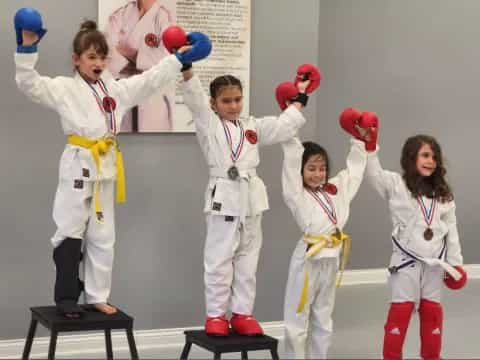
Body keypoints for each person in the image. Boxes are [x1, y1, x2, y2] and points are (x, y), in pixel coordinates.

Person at [14, 8, 207, 317]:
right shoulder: (64, 89)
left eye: (103, 58)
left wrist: (178, 58)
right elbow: (29, 84)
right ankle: (65, 297)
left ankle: (96, 295)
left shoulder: (115, 89)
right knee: (69, 231)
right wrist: (27, 48)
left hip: (105, 168)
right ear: (76, 59)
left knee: (103, 236)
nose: (99, 64)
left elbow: (149, 80)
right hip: (78, 166)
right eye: (91, 57)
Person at [180, 61, 319, 336]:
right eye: (226, 101)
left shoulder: (252, 126)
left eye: (237, 99)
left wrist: (301, 97)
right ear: (213, 103)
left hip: (252, 199)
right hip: (224, 196)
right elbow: (194, 98)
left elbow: (282, 127)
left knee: (248, 260)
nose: (233, 105)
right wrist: (186, 69)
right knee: (219, 259)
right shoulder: (208, 124)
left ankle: (243, 312)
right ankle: (216, 315)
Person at [282, 107, 377, 358]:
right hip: (308, 260)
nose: (318, 174)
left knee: (324, 319)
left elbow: (354, 172)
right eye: (311, 168)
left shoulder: (335, 189)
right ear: (301, 171)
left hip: (331, 259)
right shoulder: (297, 195)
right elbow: (291, 163)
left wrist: (359, 140)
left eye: (322, 168)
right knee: (297, 319)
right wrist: (290, 128)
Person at [366, 133, 467, 360]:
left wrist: (456, 265)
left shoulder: (443, 195)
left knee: (432, 314)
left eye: (434, 156)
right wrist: (370, 148)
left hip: (434, 267)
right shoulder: (397, 184)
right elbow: (373, 175)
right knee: (400, 313)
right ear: (411, 157)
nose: (431, 161)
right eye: (425, 155)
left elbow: (452, 231)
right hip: (406, 265)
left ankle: (432, 356)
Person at [104, 0, 175, 132]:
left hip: (152, 97)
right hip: (123, 92)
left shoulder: (164, 17)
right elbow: (108, 55)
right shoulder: (120, 15)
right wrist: (142, 59)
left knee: (154, 145)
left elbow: (165, 60)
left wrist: (127, 51)